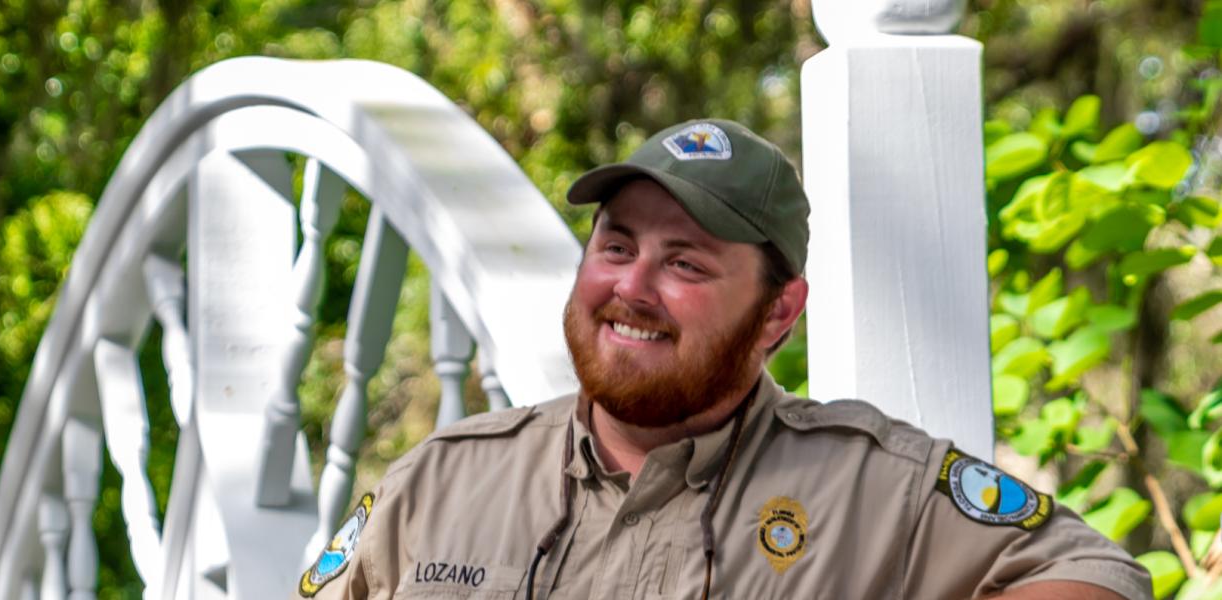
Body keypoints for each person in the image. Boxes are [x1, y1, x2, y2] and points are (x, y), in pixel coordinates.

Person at [292, 119, 1151, 599]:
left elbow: (1100, 575)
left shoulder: (872, 486)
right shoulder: (438, 484)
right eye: (616, 245)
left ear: (779, 311)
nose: (632, 287)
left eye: (686, 263)